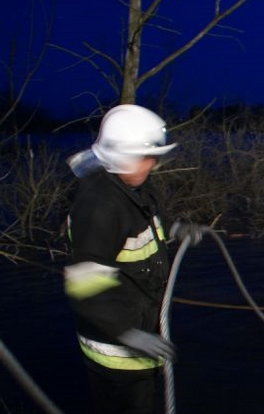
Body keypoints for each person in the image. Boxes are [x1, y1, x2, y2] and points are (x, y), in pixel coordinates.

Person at [63, 104, 202, 414]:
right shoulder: (99, 205)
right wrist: (129, 333)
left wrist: (176, 230)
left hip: (140, 329)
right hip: (114, 351)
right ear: (118, 155)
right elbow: (85, 287)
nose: (151, 164)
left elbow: (143, 228)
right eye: (144, 157)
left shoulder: (131, 185)